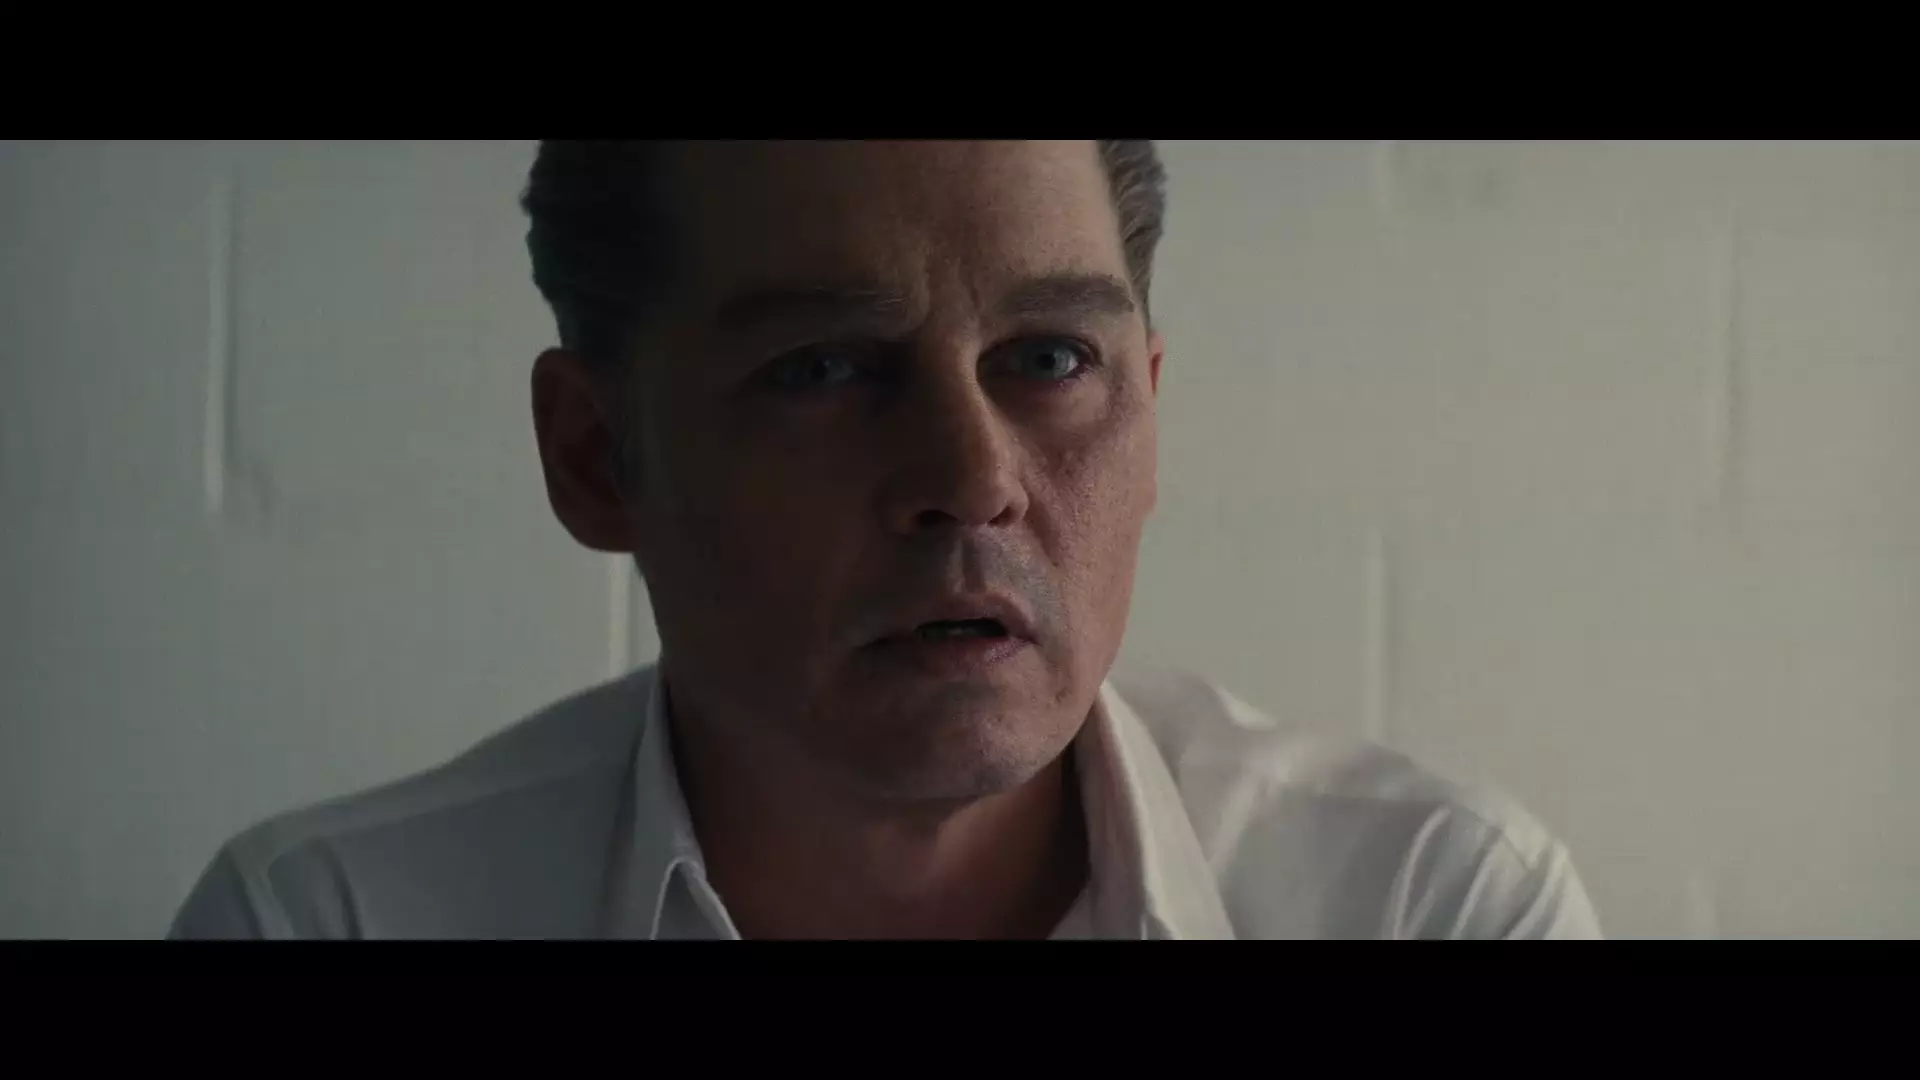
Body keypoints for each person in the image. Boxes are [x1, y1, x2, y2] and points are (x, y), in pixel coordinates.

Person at [169, 140, 1603, 940]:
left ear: (1151, 415)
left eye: (1050, 360)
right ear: (598, 458)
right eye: (823, 370)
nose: (972, 480)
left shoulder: (1431, 906)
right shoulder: (328, 924)